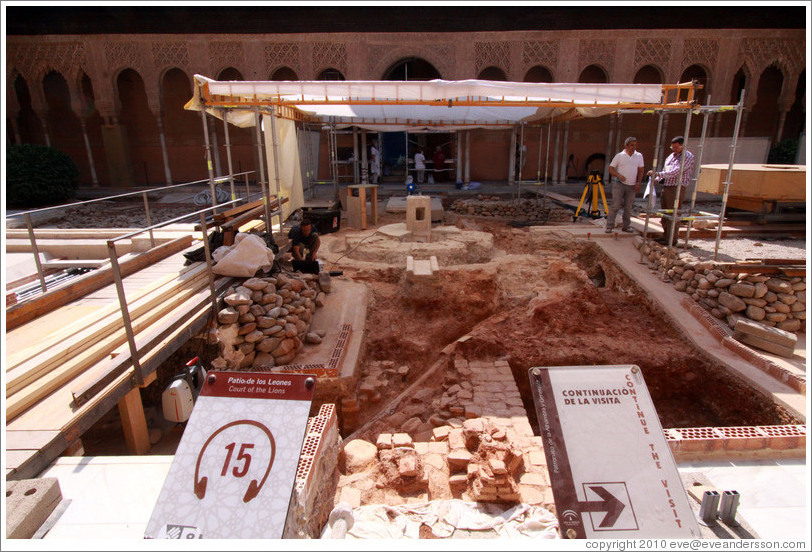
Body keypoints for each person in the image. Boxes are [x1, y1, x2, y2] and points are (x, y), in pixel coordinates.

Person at [648, 136, 696, 244]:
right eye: (672, 147)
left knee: (673, 213)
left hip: (676, 188)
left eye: (676, 147)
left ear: (682, 146)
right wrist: (657, 179)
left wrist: (657, 173)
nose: (673, 149)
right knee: (665, 213)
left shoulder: (687, 157)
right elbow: (666, 170)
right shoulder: (671, 156)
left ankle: (672, 239)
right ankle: (665, 236)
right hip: (667, 186)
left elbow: (676, 171)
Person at [606, 136, 645, 233]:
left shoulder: (639, 156)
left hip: (632, 185)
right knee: (616, 205)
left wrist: (638, 183)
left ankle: (626, 226)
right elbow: (611, 168)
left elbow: (641, 170)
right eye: (631, 145)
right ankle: (609, 226)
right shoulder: (620, 156)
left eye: (635, 145)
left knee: (628, 207)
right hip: (619, 184)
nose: (633, 147)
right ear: (626, 146)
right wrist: (618, 175)